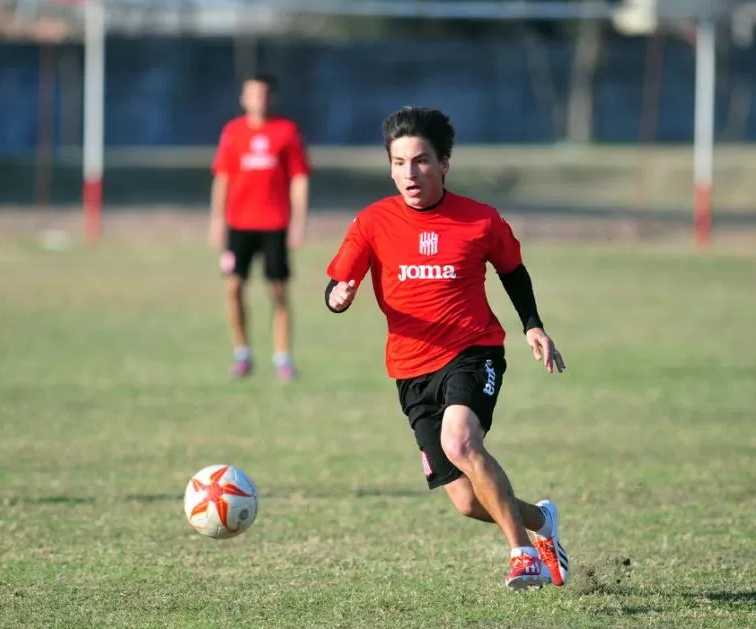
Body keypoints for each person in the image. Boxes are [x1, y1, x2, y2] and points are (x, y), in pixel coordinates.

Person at [324, 107, 570, 590]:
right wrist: (339, 296)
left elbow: (513, 271)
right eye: (398, 162)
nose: (408, 174)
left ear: (444, 164)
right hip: (410, 370)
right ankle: (541, 523)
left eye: (420, 161)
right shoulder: (373, 221)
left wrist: (532, 326)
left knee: (461, 443)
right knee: (467, 501)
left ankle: (524, 556)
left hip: (472, 351)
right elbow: (337, 281)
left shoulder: (480, 220)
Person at [209, 73, 310, 381]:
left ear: (272, 97)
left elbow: (299, 178)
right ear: (243, 98)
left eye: (264, 94)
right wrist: (216, 220)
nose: (259, 100)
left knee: (278, 290)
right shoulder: (233, 132)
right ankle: (242, 354)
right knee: (233, 287)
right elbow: (222, 177)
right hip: (239, 224)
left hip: (275, 224)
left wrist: (298, 222)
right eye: (253, 94)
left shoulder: (287, 131)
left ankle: (282, 358)